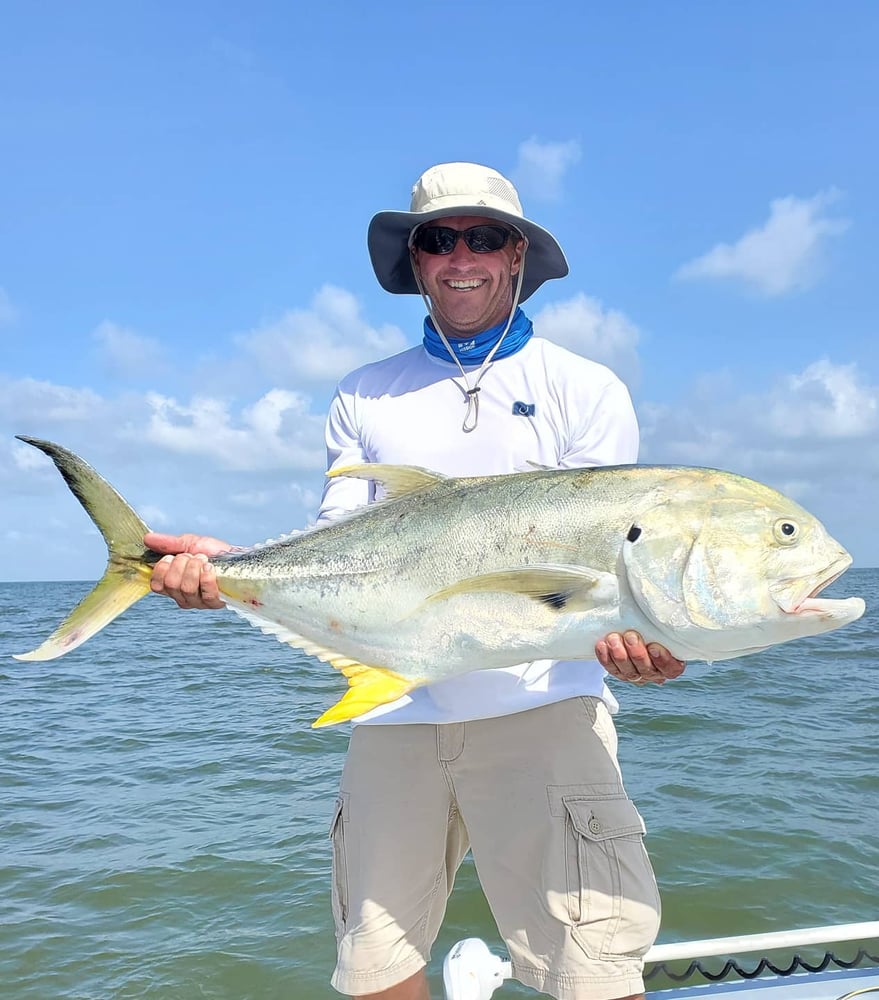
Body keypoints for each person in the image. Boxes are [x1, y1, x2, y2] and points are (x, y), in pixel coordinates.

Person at [146, 162, 685, 1000]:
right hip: (394, 706)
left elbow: (605, 560)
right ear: (416, 261)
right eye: (438, 238)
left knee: (593, 971)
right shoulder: (366, 393)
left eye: (483, 237)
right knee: (375, 965)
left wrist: (654, 643)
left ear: (517, 256)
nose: (459, 255)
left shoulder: (585, 390)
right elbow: (339, 542)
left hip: (540, 711)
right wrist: (229, 573)